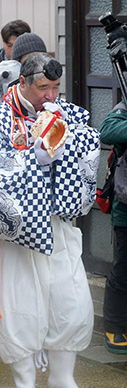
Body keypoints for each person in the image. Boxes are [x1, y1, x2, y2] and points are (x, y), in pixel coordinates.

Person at [0, 52, 98, 388]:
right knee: (19, 305)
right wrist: (34, 157)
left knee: (70, 300)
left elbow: (89, 149)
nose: (50, 95)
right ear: (23, 83)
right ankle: (24, 384)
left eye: (56, 87)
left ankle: (62, 376)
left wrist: (64, 143)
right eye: (43, 87)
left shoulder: (69, 114)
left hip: (57, 223)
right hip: (15, 231)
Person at [99, 103, 127, 355]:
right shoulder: (124, 106)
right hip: (126, 208)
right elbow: (107, 130)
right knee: (123, 268)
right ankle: (115, 326)